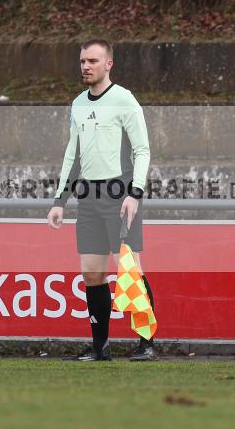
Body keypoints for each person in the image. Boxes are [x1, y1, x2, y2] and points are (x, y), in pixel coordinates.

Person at [47, 39, 156, 362]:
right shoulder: (78, 103)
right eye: (82, 61)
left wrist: (135, 193)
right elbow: (73, 153)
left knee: (130, 270)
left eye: (93, 60)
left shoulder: (124, 100)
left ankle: (146, 342)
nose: (85, 66)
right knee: (92, 273)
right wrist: (59, 199)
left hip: (120, 194)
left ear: (109, 64)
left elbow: (142, 150)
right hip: (89, 198)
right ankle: (100, 346)